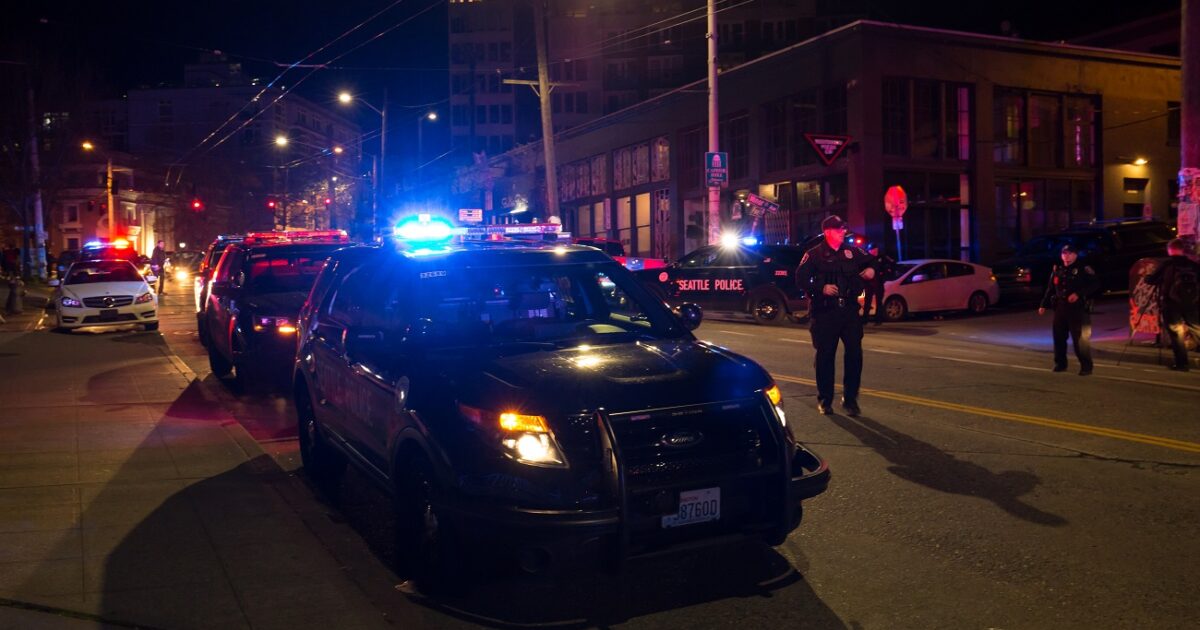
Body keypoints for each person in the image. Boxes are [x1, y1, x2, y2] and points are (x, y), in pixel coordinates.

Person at [795, 215, 876, 416]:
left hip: (849, 311)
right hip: (825, 312)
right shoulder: (814, 254)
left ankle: (850, 400)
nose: (843, 232)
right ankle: (825, 400)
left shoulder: (851, 252)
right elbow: (800, 278)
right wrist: (820, 288)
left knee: (854, 355)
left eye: (843, 229)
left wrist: (871, 270)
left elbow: (874, 261)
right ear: (828, 231)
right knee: (825, 356)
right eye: (839, 229)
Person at [1038, 243, 1101, 375]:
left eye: (1069, 254)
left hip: (1077, 309)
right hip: (1060, 307)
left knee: (1079, 339)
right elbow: (1051, 288)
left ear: (1075, 255)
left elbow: (1095, 284)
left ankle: (1086, 366)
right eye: (1064, 254)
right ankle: (1060, 364)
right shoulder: (1058, 269)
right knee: (1059, 337)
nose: (1066, 256)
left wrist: (1078, 294)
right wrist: (1043, 304)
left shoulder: (1083, 268)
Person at [1145, 238, 1200, 371]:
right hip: (1192, 303)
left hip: (1171, 304)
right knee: (1197, 329)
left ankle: (1182, 364)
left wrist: (1148, 277)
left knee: (1176, 333)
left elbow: (1151, 280)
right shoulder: (1193, 265)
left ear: (1170, 250)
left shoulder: (1167, 265)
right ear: (1182, 250)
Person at [862, 243, 895, 325]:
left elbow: (892, 264)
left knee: (879, 301)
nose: (873, 251)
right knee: (867, 301)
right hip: (869, 282)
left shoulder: (882, 257)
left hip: (879, 282)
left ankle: (878, 319)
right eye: (871, 250)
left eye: (874, 250)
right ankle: (865, 319)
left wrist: (885, 274)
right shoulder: (867, 258)